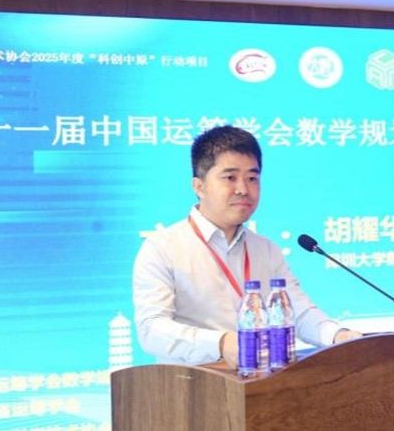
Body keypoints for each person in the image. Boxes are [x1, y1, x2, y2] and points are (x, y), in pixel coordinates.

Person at [133, 125, 360, 368]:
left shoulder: (266, 250)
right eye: (230, 178)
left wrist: (338, 336)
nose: (243, 189)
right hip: (192, 384)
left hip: (262, 383)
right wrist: (220, 343)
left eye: (252, 178)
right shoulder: (163, 248)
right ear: (199, 187)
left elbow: (298, 312)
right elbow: (151, 330)